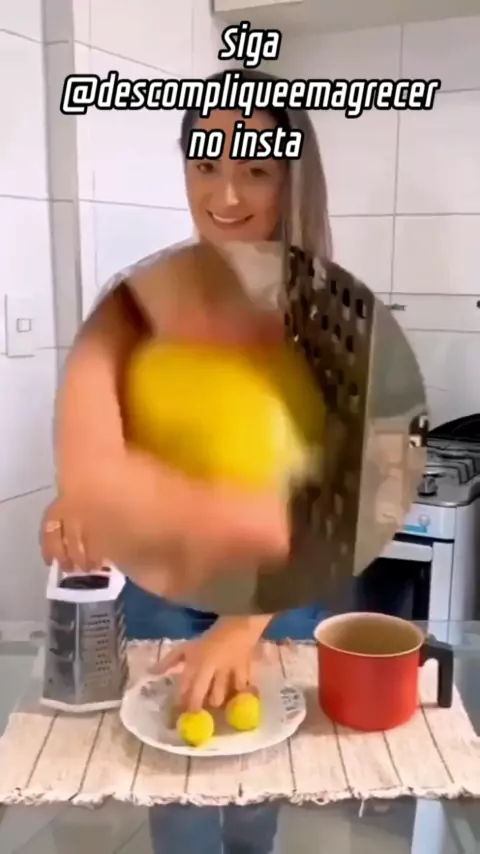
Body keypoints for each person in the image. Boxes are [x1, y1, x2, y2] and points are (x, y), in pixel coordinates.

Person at [40, 69, 332, 854]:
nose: (224, 194)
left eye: (255, 170)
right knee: (177, 788)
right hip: (162, 589)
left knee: (254, 783)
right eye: (205, 164)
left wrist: (243, 628)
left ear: (291, 178)